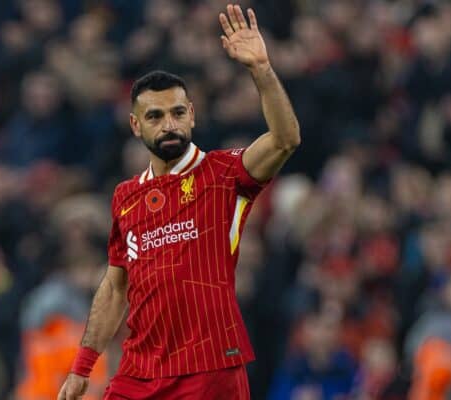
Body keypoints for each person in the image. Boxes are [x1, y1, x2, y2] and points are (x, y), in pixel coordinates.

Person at [58, 4, 300, 399]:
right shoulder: (125, 197)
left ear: (192, 117)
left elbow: (285, 140)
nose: (168, 124)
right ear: (136, 126)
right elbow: (116, 286)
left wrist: (261, 70)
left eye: (177, 113)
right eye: (154, 116)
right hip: (139, 371)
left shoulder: (224, 174)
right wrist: (83, 366)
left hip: (209, 369)